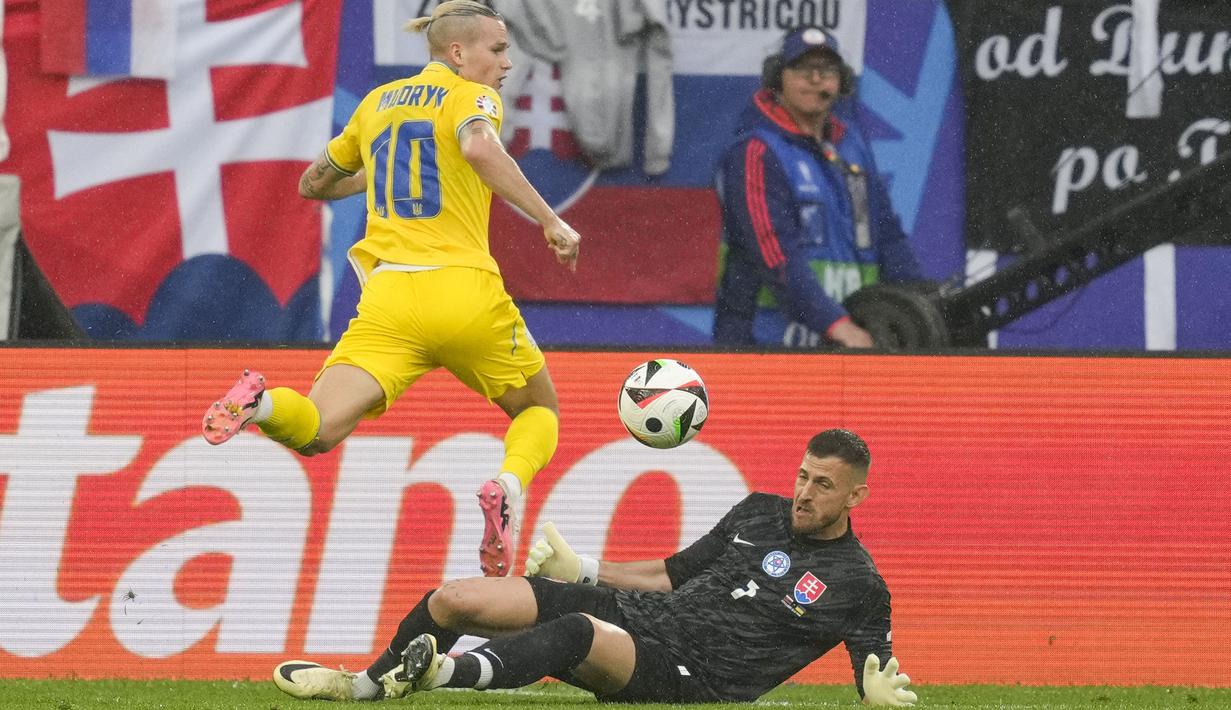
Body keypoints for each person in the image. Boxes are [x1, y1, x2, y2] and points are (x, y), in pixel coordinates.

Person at [200, 1, 581, 578]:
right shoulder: (471, 97)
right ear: (458, 54)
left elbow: (312, 184)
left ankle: (262, 403)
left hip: (390, 301)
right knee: (538, 409)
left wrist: (376, 174)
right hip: (463, 292)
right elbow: (478, 146)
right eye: (497, 49)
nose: (507, 62)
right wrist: (549, 218)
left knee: (318, 431)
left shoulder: (378, 104)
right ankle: (507, 484)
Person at [272, 429, 918, 706]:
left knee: (577, 633)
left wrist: (877, 696)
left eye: (824, 485)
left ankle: (438, 672)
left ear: (854, 496)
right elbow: (671, 574)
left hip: (694, 680)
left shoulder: (859, 583)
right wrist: (580, 567)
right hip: (641, 615)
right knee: (457, 599)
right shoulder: (758, 511)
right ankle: (363, 686)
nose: (805, 493)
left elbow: (871, 674)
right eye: (803, 475)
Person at [713, 26, 925, 349]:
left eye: (826, 70)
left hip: (846, 339)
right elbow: (776, 255)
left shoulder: (852, 144)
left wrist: (921, 300)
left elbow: (887, 234)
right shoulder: (755, 152)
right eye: (801, 68)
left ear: (841, 82)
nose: (815, 79)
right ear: (777, 78)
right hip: (765, 344)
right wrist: (837, 325)